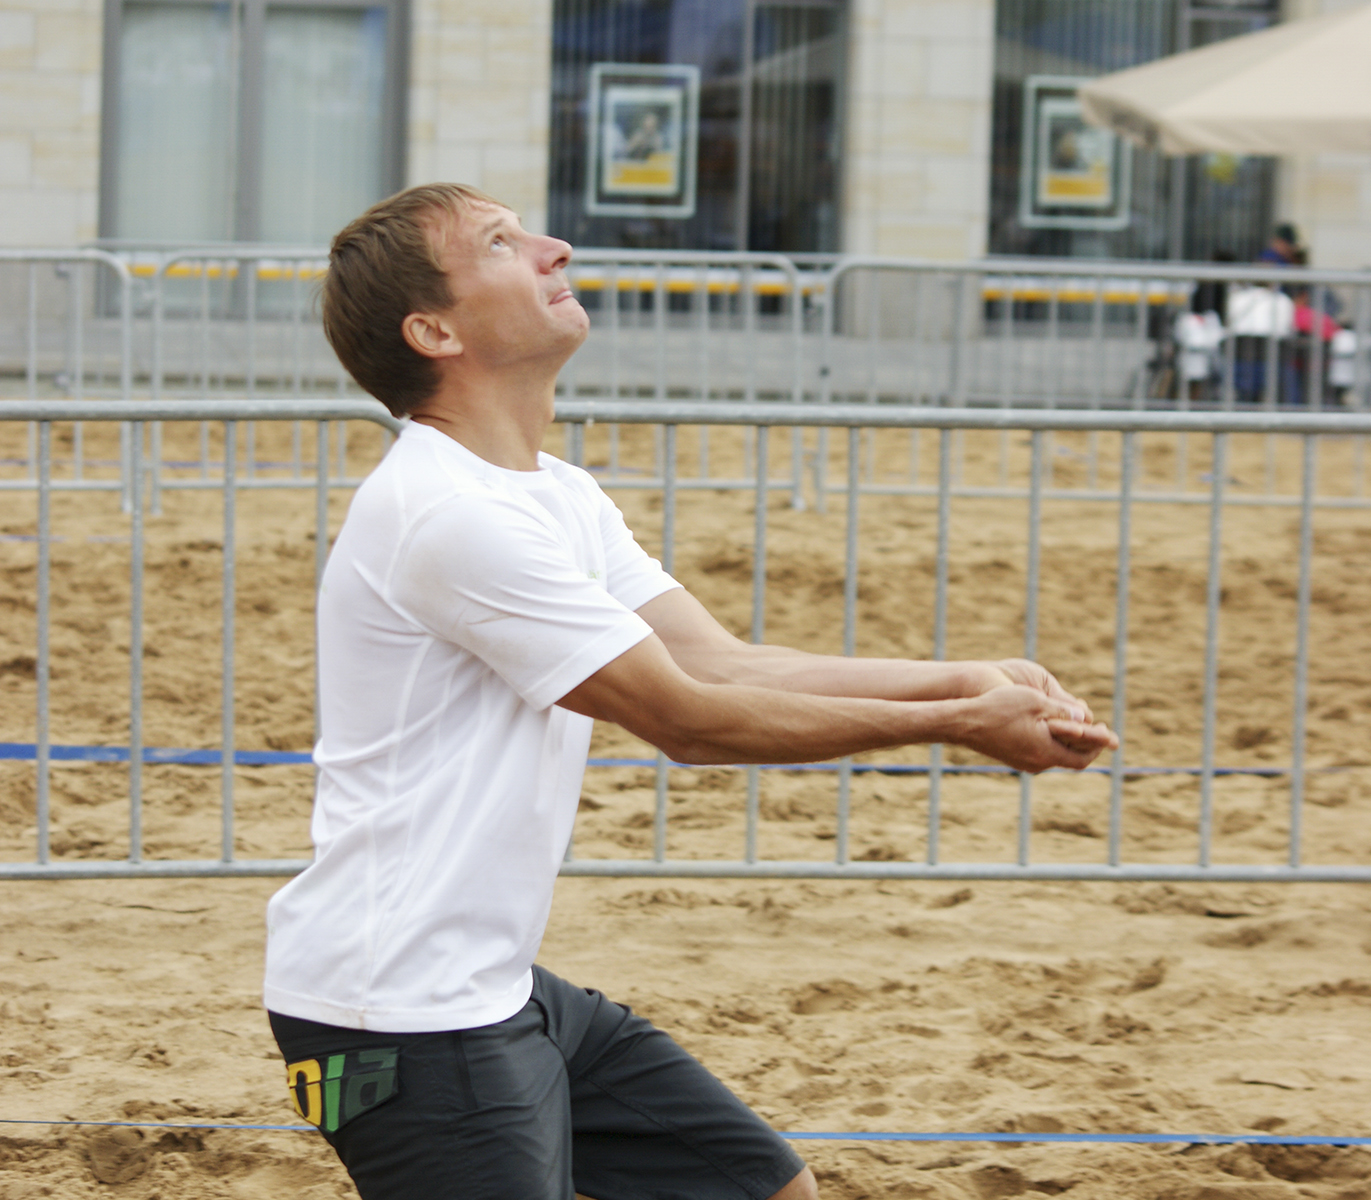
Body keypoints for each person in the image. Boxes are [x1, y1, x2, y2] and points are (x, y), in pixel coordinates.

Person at [261, 182, 1117, 1200]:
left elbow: (718, 660)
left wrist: (968, 673)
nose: (553, 247)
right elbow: (688, 719)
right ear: (433, 329)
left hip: (494, 987)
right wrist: (963, 722)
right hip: (394, 1015)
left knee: (770, 1192)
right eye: (501, 243)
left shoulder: (555, 494)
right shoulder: (448, 512)